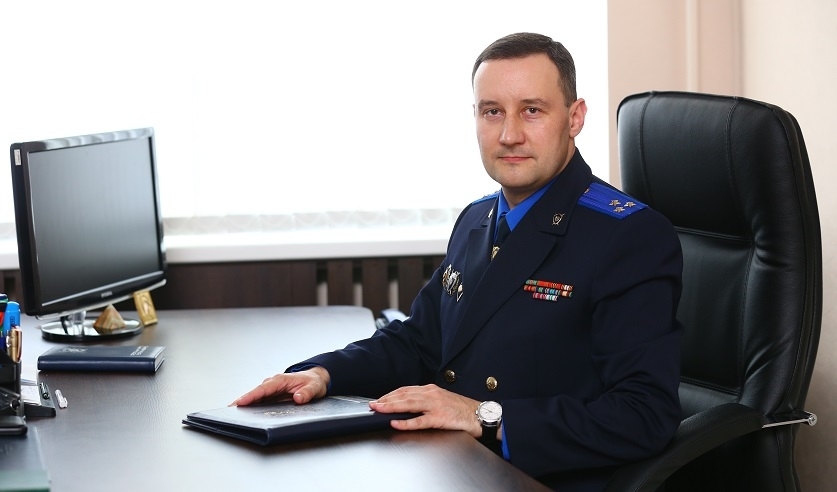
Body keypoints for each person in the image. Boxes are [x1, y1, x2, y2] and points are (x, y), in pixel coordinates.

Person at [233, 32, 683, 492]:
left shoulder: (627, 236)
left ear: (575, 117)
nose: (509, 135)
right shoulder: (476, 219)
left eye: (532, 110)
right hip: (454, 465)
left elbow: (644, 414)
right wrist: (322, 374)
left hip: (536, 479)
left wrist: (482, 414)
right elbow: (419, 341)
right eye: (492, 111)